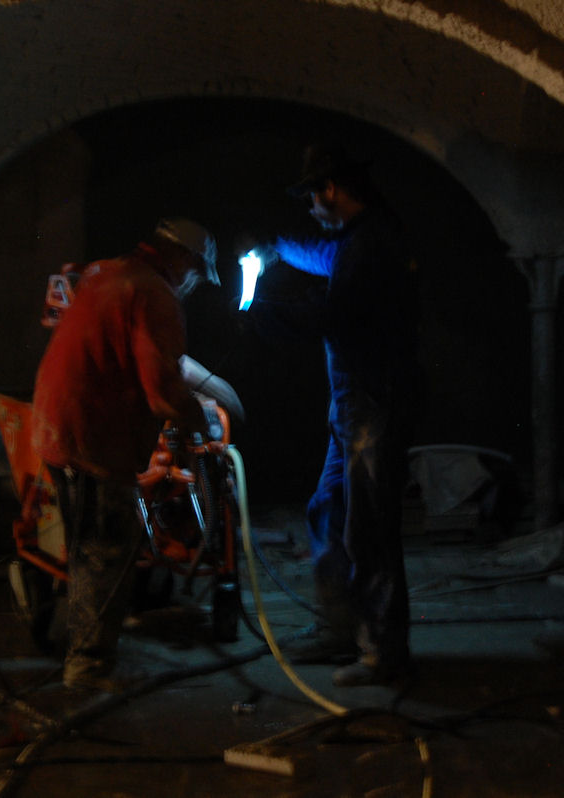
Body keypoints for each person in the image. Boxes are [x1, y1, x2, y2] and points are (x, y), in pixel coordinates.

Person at [251, 143, 421, 686]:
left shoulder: (371, 244)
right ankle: (339, 628)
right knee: (328, 510)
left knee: (368, 529)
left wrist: (262, 312)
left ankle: (381, 652)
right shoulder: (358, 241)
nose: (310, 211)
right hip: (354, 406)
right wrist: (279, 248)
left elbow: (332, 313)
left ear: (330, 190)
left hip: (373, 403)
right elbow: (323, 258)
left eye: (311, 199)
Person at [31, 217, 219, 689]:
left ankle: (81, 650)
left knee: (86, 546)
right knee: (106, 549)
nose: (192, 281)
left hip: (59, 423)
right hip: (92, 435)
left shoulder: (109, 272)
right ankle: (88, 668)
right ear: (182, 258)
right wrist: (196, 419)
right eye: (196, 271)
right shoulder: (154, 293)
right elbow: (162, 392)